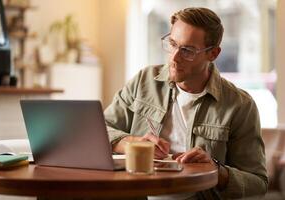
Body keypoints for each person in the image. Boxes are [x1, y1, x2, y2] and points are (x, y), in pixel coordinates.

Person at [104, 7, 268, 199]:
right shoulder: (143, 81)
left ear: (213, 53)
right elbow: (100, 129)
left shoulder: (240, 105)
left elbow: (258, 183)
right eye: (172, 44)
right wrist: (133, 143)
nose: (174, 58)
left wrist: (216, 169)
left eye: (187, 51)